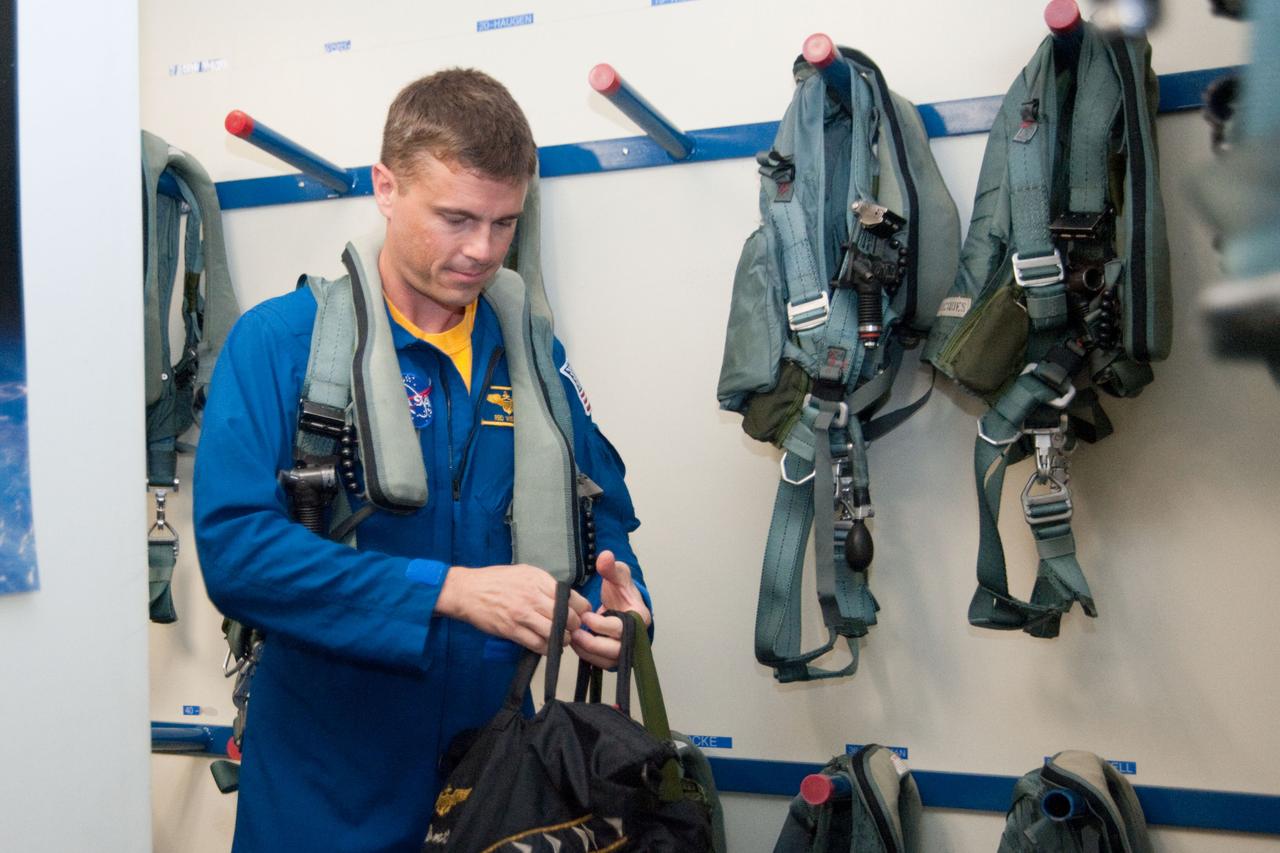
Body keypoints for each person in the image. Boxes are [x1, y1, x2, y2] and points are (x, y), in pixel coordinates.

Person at [193, 68, 652, 853]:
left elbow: (598, 507)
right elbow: (237, 554)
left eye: (505, 223)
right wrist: (446, 591)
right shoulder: (280, 344)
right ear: (385, 186)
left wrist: (623, 604)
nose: (482, 250)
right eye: (456, 218)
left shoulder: (534, 356)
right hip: (325, 789)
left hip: (503, 786)